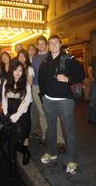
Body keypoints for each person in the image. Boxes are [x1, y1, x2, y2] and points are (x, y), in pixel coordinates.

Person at [38, 34, 85, 175]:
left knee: (69, 131)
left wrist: (68, 78)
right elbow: (41, 80)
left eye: (56, 43)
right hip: (49, 100)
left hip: (65, 101)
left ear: (60, 44)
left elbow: (80, 74)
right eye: (50, 43)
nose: (53, 45)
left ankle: (72, 160)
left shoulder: (68, 59)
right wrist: (43, 95)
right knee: (50, 129)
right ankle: (51, 152)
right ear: (48, 45)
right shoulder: (45, 61)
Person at [32, 35, 65, 152]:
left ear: (46, 44)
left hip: (49, 88)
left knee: (53, 114)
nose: (41, 45)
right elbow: (32, 74)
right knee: (42, 114)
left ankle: (60, 140)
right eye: (39, 43)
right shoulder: (34, 58)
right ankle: (45, 137)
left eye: (43, 43)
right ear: (36, 46)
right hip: (36, 88)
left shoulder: (52, 54)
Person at [1, 61, 32, 176]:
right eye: (15, 70)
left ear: (23, 72)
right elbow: (4, 99)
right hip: (9, 115)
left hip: (21, 117)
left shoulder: (26, 84)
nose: (17, 73)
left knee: (13, 142)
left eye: (20, 70)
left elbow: (26, 102)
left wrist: (16, 116)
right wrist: (6, 114)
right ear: (11, 71)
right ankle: (13, 165)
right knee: (10, 142)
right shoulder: (6, 82)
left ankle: (25, 151)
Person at [17, 49, 34, 164]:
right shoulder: (17, 67)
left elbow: (30, 83)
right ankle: (20, 141)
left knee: (26, 120)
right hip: (18, 97)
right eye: (20, 56)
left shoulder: (29, 68)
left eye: (23, 56)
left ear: (26, 57)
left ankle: (26, 145)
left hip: (27, 97)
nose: (21, 58)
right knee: (20, 120)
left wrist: (24, 74)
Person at [87, 43, 96, 123]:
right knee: (93, 100)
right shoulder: (94, 58)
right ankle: (91, 117)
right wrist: (92, 78)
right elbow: (89, 69)